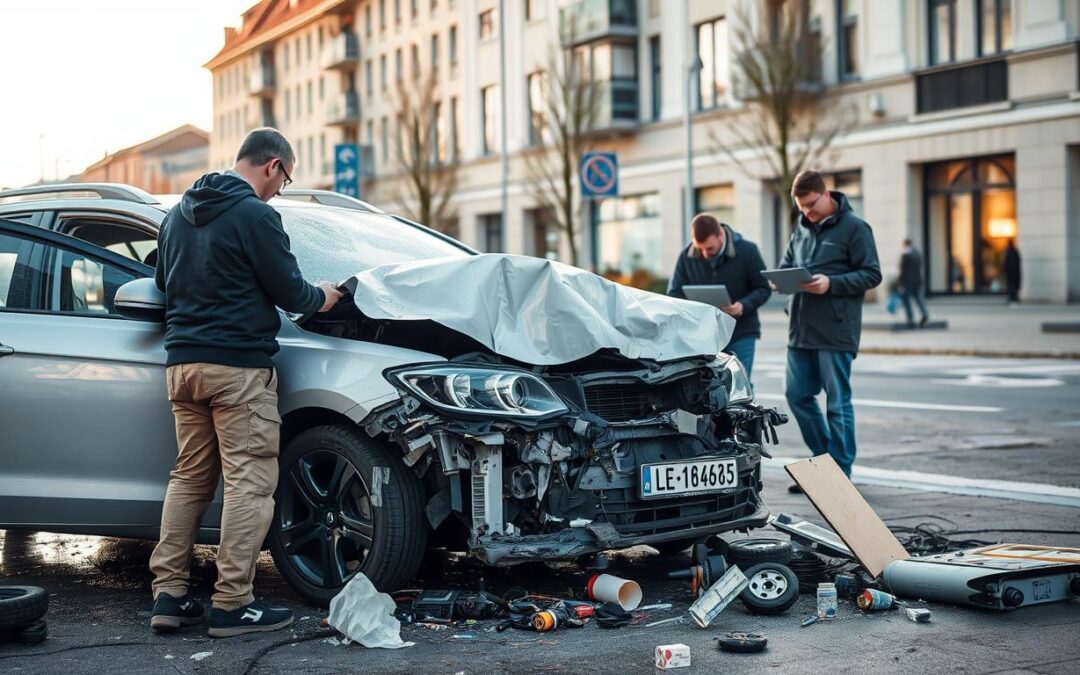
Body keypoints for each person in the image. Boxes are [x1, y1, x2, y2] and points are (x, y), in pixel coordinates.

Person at [149, 128, 342, 638]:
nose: (280, 190)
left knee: (189, 478)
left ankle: (168, 597)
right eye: (285, 179)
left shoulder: (176, 217)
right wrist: (324, 294)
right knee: (250, 482)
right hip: (237, 369)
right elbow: (291, 291)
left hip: (182, 368)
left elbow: (163, 285)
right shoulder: (257, 216)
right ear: (273, 165)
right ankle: (232, 604)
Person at [779, 170, 881, 489]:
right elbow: (785, 266)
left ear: (826, 194)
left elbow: (872, 274)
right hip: (800, 327)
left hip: (836, 330)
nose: (807, 212)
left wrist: (832, 283)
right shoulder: (801, 228)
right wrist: (781, 279)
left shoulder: (856, 228)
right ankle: (826, 465)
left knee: (837, 402)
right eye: (801, 207)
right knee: (796, 396)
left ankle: (841, 473)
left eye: (811, 204)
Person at [668, 213, 771, 378]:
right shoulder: (686, 255)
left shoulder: (748, 251)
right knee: (707, 389)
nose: (704, 253)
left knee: (740, 386)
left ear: (721, 235)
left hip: (741, 332)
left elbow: (763, 288)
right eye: (699, 248)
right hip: (703, 336)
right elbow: (674, 294)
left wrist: (743, 305)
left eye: (709, 248)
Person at [898, 238, 928, 328]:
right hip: (918, 281)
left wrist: (899, 282)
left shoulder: (905, 255)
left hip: (907, 282)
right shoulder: (917, 254)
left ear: (904, 244)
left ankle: (910, 319)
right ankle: (924, 314)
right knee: (918, 299)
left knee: (907, 301)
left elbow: (902, 270)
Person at [1005, 238, 1022, 305]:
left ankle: (1013, 297)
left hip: (1013, 273)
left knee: (1013, 285)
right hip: (1013, 273)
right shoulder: (1013, 251)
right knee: (1013, 285)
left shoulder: (1011, 252)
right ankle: (1013, 297)